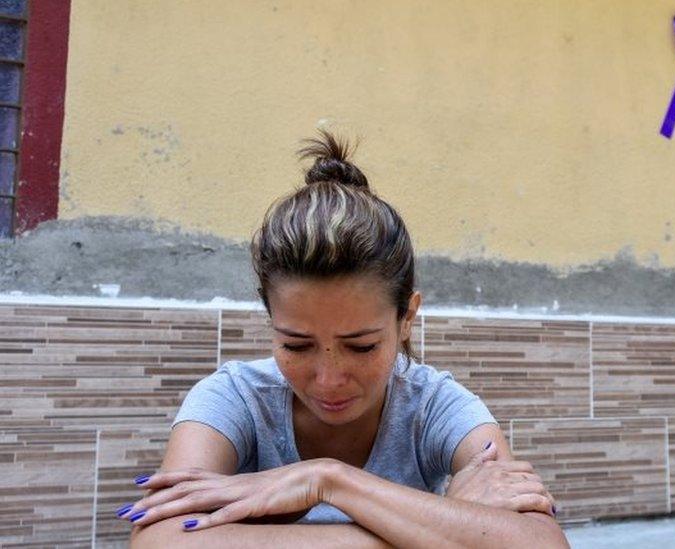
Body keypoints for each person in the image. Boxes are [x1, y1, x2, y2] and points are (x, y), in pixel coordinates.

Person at [124, 131, 569, 548]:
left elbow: (542, 544)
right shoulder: (234, 398)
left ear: (406, 318)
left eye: (361, 346)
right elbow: (158, 541)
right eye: (297, 346)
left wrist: (328, 480)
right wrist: (435, 527)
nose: (329, 380)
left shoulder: (437, 406)